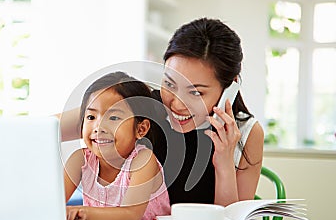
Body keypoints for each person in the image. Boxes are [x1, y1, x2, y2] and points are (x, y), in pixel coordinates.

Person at [59, 17, 264, 208]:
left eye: (195, 92)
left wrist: (224, 163)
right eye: (169, 83)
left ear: (230, 88)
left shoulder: (247, 133)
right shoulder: (140, 105)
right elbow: (43, 131)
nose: (176, 103)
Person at [63, 71, 170, 220]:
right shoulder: (80, 159)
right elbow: (53, 204)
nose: (99, 127)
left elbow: (129, 216)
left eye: (114, 118)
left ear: (141, 129)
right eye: (91, 117)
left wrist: (83, 212)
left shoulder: (143, 160)